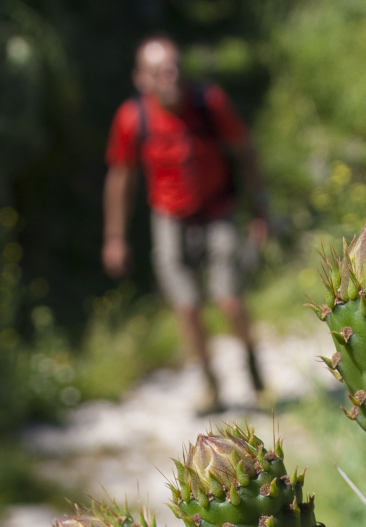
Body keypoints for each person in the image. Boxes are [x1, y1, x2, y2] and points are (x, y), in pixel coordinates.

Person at [103, 36, 271, 414]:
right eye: (160, 70)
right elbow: (121, 177)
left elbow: (245, 150)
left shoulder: (209, 103)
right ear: (141, 78)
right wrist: (115, 236)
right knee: (187, 308)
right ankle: (211, 387)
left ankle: (256, 376)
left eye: (175, 66)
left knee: (229, 300)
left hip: (217, 210)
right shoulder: (133, 118)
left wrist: (261, 208)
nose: (171, 75)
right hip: (168, 217)